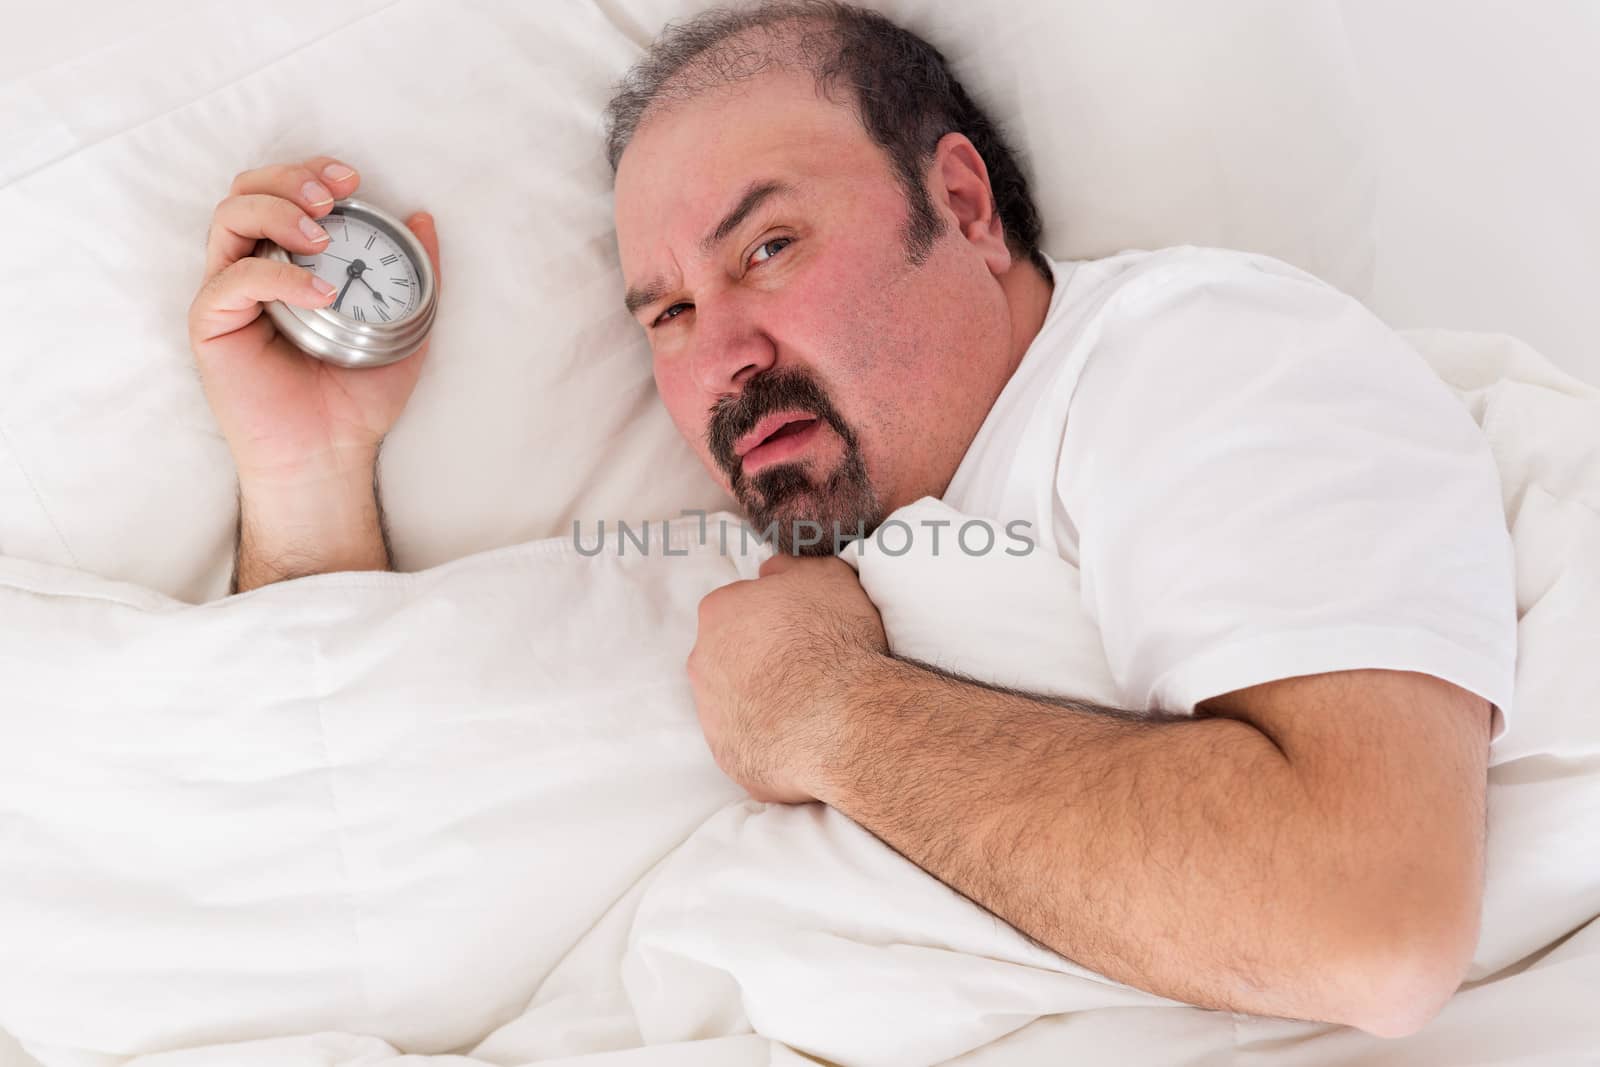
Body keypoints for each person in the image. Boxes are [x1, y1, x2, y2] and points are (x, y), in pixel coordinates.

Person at [187, 0, 1516, 1041]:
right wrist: (308, 473)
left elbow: (1369, 920)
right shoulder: (763, 573)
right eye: (667, 314)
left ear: (963, 203)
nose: (724, 353)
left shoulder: (1198, 355)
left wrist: (829, 715)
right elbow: (332, 866)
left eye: (767, 248)